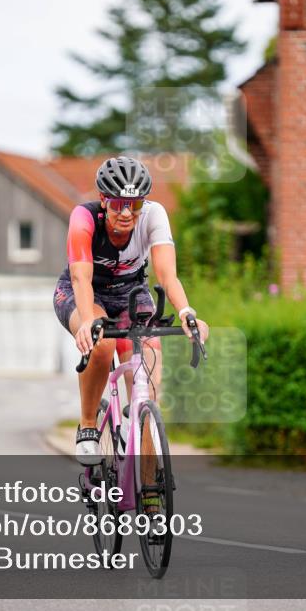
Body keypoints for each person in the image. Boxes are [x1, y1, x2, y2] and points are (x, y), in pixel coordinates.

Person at [53, 156, 210, 465]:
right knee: (102, 343)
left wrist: (186, 312)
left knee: (147, 394)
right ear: (103, 200)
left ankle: (150, 491)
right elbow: (80, 277)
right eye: (117, 204)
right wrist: (87, 321)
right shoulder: (83, 217)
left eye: (134, 205)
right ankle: (87, 426)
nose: (126, 213)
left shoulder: (154, 215)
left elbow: (167, 275)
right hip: (84, 292)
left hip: (130, 295)